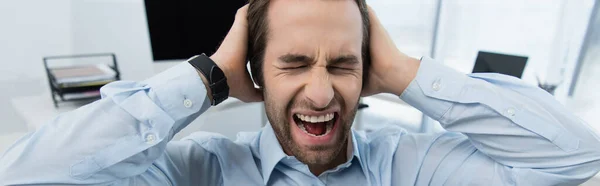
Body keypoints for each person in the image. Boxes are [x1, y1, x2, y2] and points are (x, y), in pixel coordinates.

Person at [1, 0, 600, 185]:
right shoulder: (197, 172)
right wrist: (205, 78)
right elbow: (26, 175)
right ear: (254, 73)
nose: (321, 92)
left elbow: (578, 156)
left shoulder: (413, 166)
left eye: (343, 64)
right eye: (293, 64)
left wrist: (403, 72)